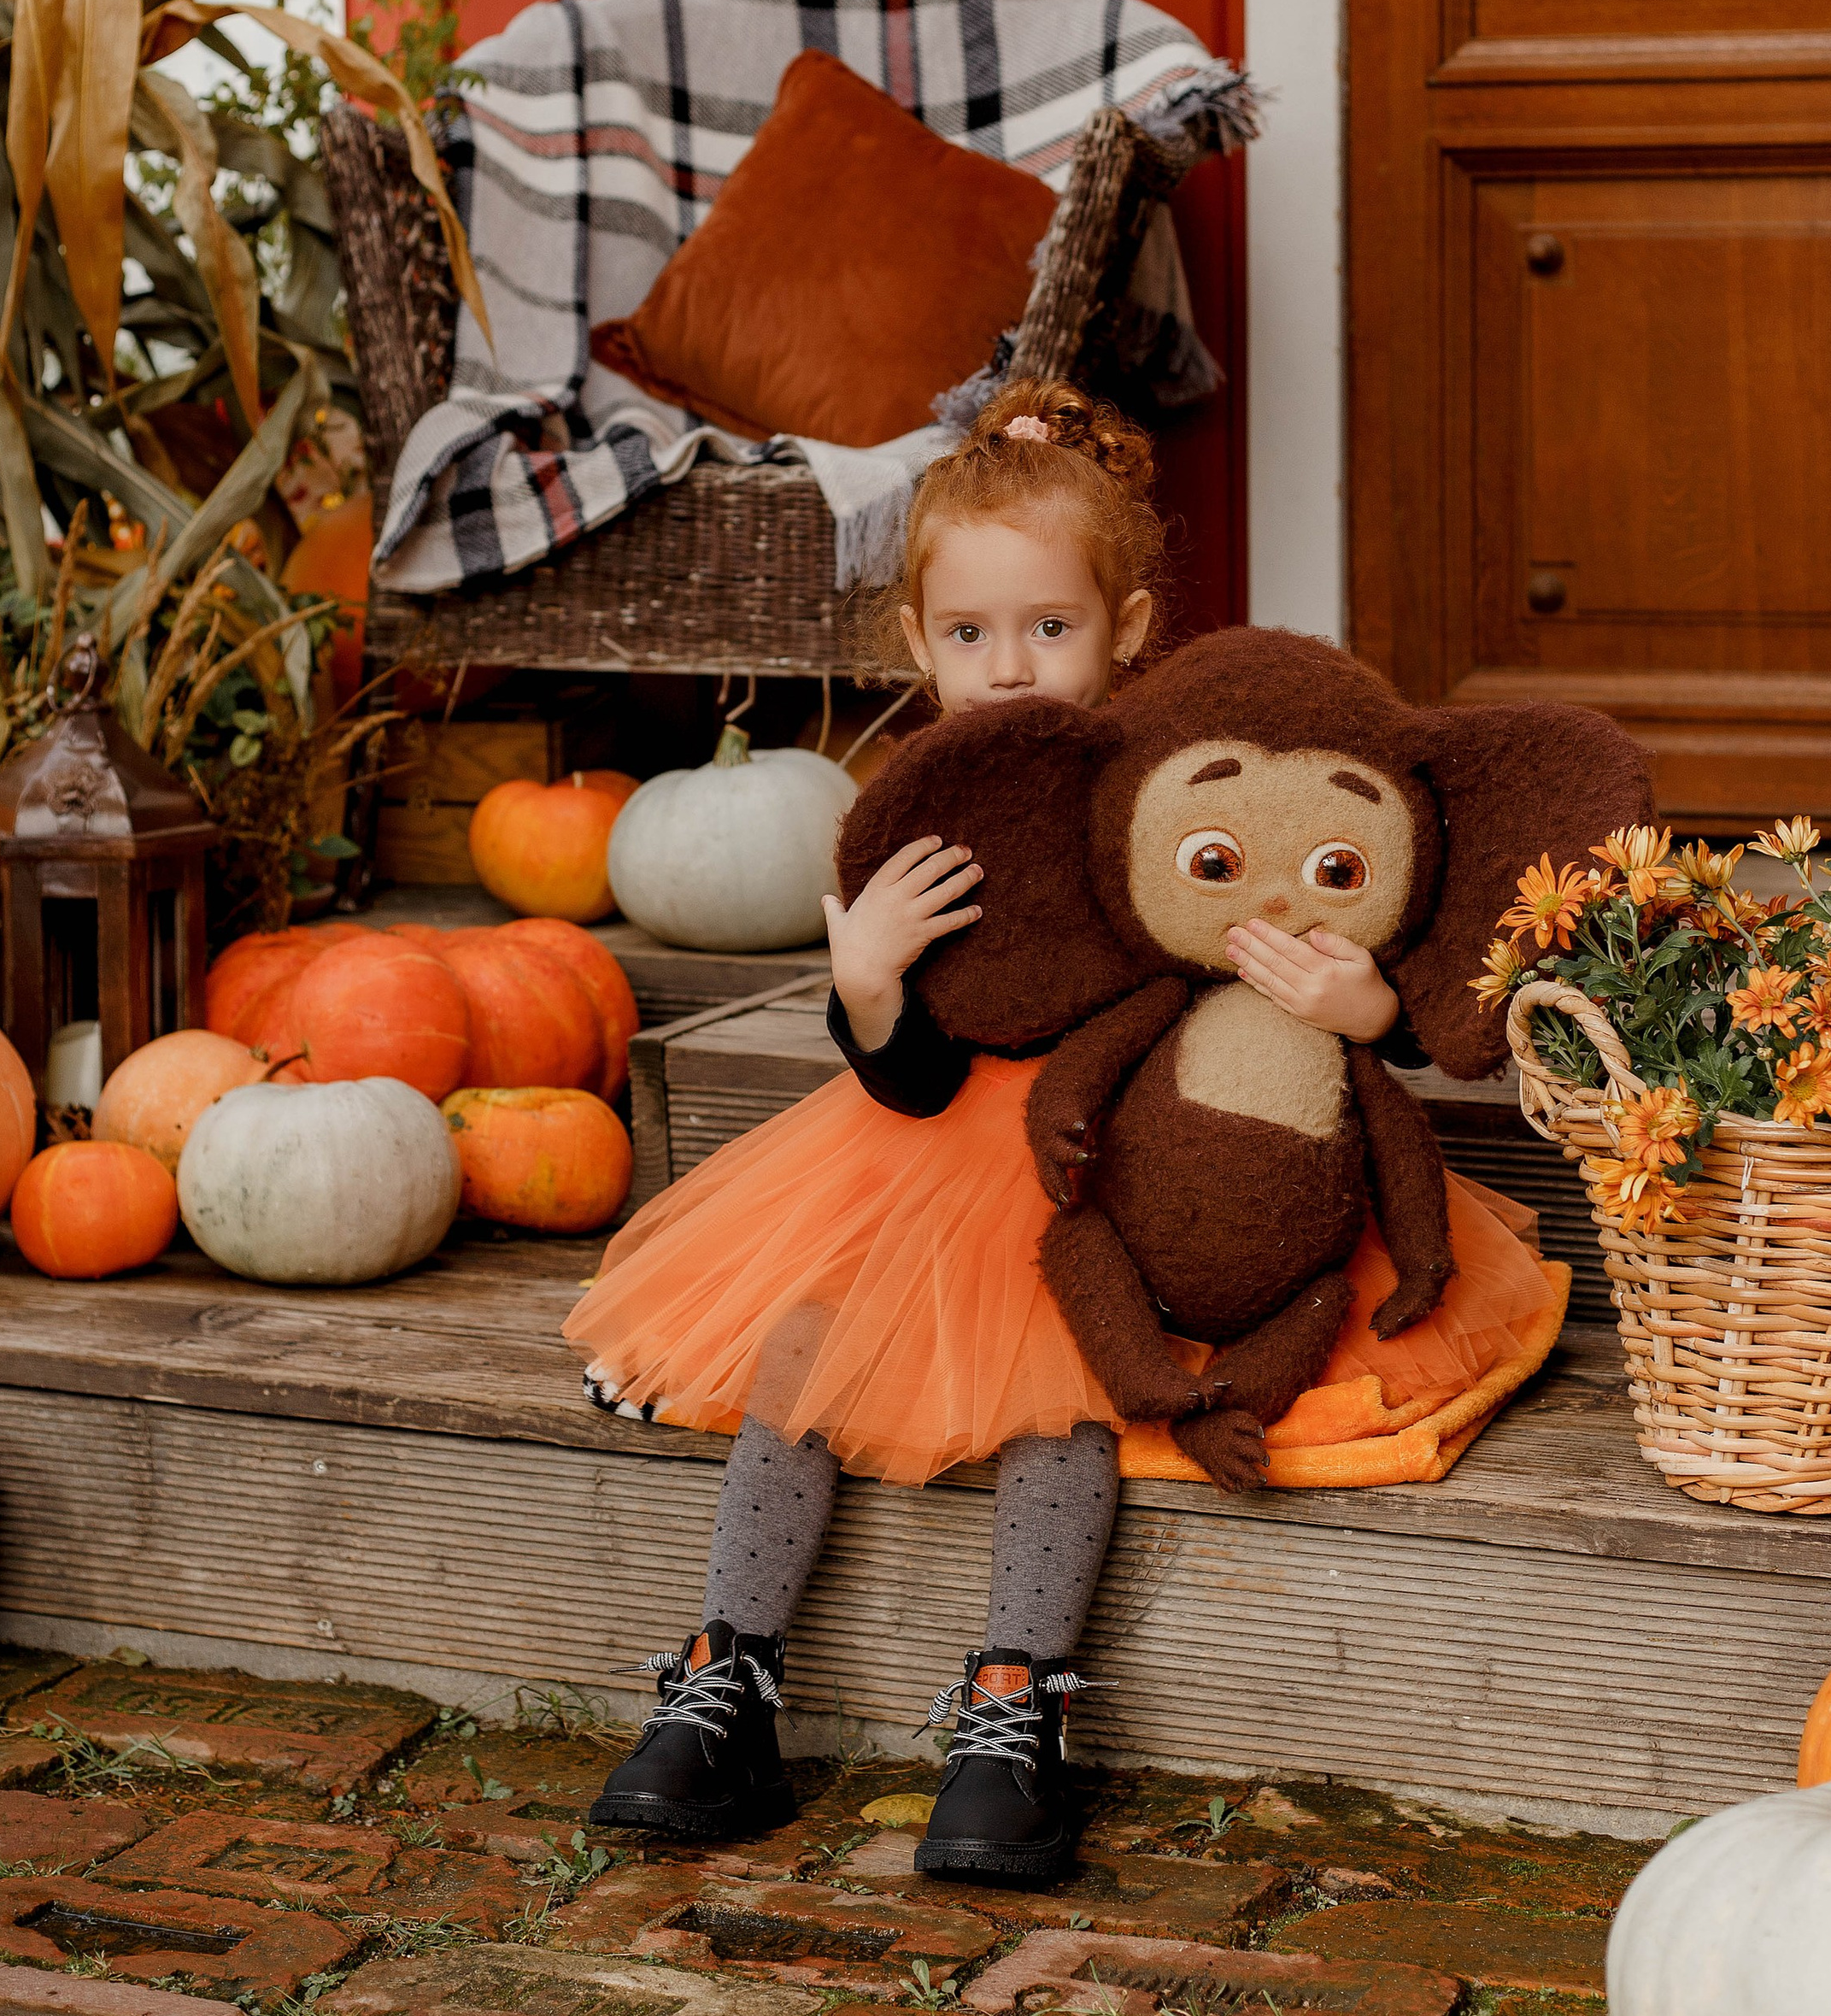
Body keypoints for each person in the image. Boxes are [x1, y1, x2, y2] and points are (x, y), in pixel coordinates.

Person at [564, 379, 1405, 1882]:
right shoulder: (922, 820)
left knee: (1057, 1396)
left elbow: (1274, 929)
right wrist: (870, 986)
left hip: (1143, 1163)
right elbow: (907, 1087)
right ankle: (725, 1682)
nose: (1008, 669)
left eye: (1049, 629)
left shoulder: (1183, 777)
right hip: (937, 1150)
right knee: (811, 1351)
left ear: (1128, 627)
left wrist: (1361, 1011)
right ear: (918, 645)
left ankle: (1016, 1710)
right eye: (969, 635)